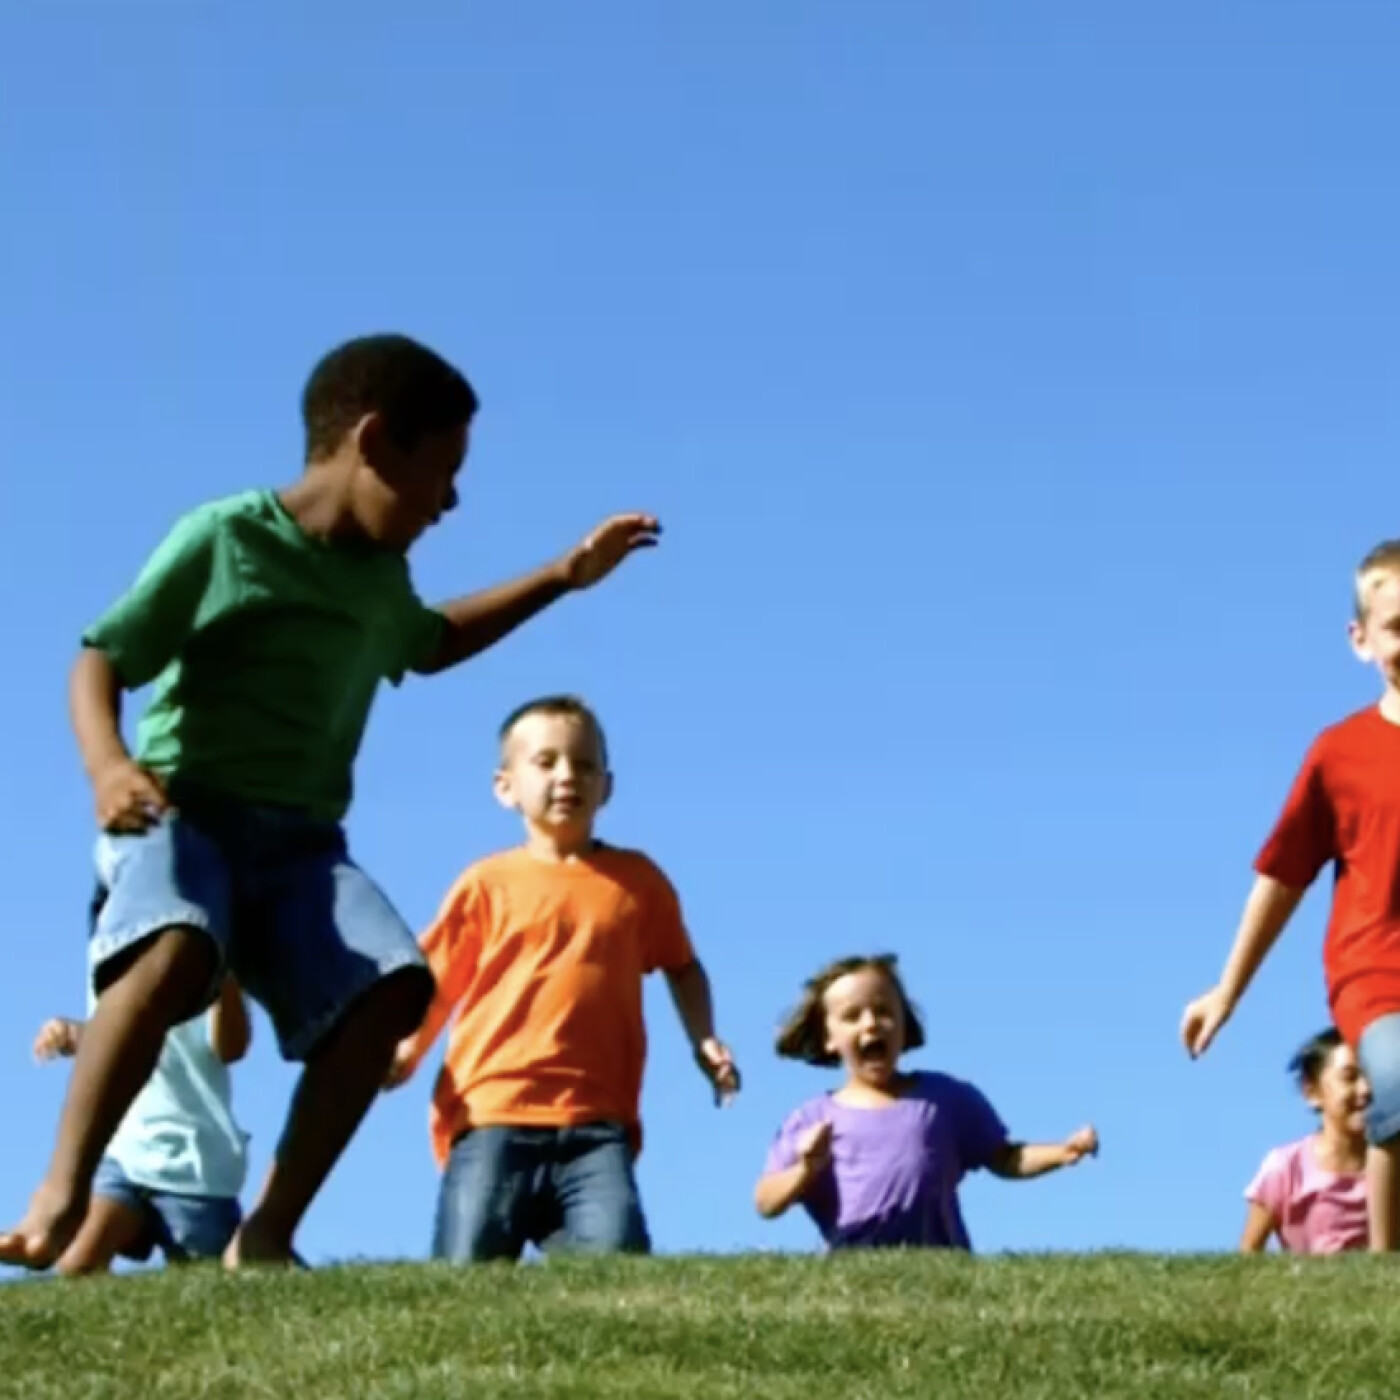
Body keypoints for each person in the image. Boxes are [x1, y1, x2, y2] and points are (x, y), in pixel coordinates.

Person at [0, 334, 659, 1271]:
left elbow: (431, 643)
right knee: (176, 948)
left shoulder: (378, 584)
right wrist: (109, 766)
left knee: (391, 989)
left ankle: (264, 1230)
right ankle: (61, 1191)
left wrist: (560, 576)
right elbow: (101, 655)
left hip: (303, 848)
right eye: (446, 470)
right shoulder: (225, 539)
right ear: (377, 442)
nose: (452, 500)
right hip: (183, 814)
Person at [388, 694, 740, 1262]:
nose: (566, 776)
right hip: (493, 1112)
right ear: (506, 787)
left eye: (583, 764)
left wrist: (704, 1038)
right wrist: (404, 1053)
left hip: (597, 1126)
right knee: (466, 1276)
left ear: (607, 786)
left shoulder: (637, 881)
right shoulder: (487, 882)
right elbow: (437, 982)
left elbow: (682, 965)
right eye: (546, 762)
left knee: (618, 1275)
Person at [1181, 539, 1400, 1251]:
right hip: (1377, 973)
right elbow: (1282, 878)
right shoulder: (1340, 755)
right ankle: (1385, 1277)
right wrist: (1227, 990)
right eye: (1397, 626)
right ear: (1361, 639)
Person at [754, 954, 1098, 1251]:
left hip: (943, 1266)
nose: (871, 1023)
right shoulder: (814, 1117)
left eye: (884, 1011)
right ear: (828, 1038)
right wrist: (806, 1168)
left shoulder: (946, 1099)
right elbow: (766, 1201)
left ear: (904, 1026)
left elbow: (1006, 1158)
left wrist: (1063, 1152)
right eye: (852, 1016)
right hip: (853, 1273)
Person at [33, 959, 251, 1275]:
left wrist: (225, 978)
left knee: (211, 1280)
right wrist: (72, 1032)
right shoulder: (116, 960)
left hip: (193, 1166)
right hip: (128, 1154)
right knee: (78, 1264)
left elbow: (231, 1048)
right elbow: (118, 1035)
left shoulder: (203, 963)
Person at [1240, 1029, 1369, 1254]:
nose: (1365, 1089)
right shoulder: (1286, 1168)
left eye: (1373, 1077)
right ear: (1312, 1092)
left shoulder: (1392, 1164)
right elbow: (1249, 1253)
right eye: (1349, 1077)